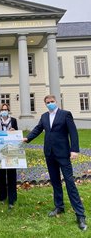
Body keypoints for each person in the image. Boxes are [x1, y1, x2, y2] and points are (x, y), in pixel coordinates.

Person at [23, 95, 87, 231]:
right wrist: (27, 138)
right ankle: (59, 207)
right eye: (47, 102)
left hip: (63, 153)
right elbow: (38, 129)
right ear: (45, 104)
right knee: (55, 181)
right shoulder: (44, 116)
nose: (50, 104)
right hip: (49, 153)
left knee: (70, 183)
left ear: (56, 102)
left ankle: (80, 215)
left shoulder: (65, 114)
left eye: (52, 102)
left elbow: (73, 132)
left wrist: (74, 149)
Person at [0, 103, 18, 209]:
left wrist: (14, 131)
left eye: (6, 109)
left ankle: (12, 198)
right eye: (2, 109)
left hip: (11, 149)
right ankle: (2, 196)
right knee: (1, 174)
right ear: (0, 111)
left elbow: (17, 133)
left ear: (8, 110)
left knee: (11, 174)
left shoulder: (13, 120)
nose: (4, 111)